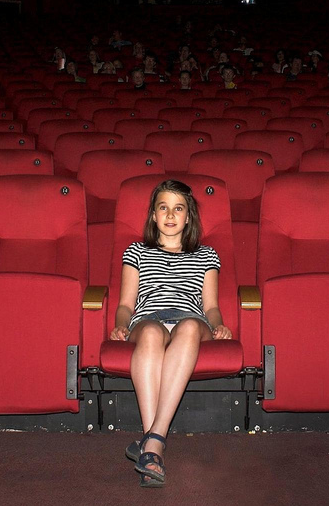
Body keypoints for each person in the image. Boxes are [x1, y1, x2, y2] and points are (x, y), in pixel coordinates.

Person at [110, 180, 232, 487]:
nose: (170, 215)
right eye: (163, 207)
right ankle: (154, 445)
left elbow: (210, 306)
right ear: (153, 215)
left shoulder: (207, 255)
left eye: (178, 209)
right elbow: (126, 303)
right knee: (150, 334)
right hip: (148, 316)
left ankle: (152, 441)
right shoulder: (135, 251)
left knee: (190, 327)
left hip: (190, 317)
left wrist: (218, 323)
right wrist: (122, 324)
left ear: (188, 217)